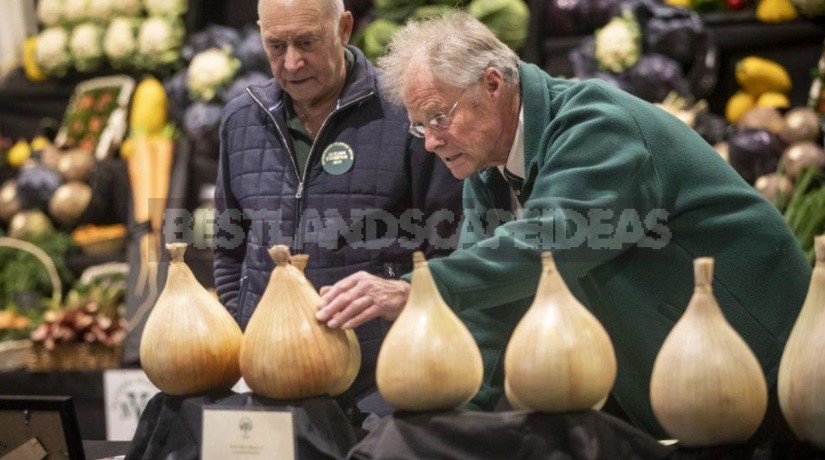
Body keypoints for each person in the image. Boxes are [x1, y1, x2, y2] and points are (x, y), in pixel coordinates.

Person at [316, 12, 812, 437]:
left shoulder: (597, 125)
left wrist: (416, 290)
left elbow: (551, 241)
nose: (430, 142)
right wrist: (451, 423)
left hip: (766, 370)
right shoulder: (487, 174)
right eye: (420, 126)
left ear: (493, 84)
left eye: (440, 118)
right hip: (680, 393)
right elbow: (488, 311)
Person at [212, 0, 463, 410]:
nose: (291, 63)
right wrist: (242, 323)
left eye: (307, 42)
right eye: (276, 45)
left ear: (344, 28)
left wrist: (405, 300)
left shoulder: (403, 111)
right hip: (273, 377)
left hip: (386, 381)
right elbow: (228, 244)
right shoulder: (242, 120)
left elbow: (449, 244)